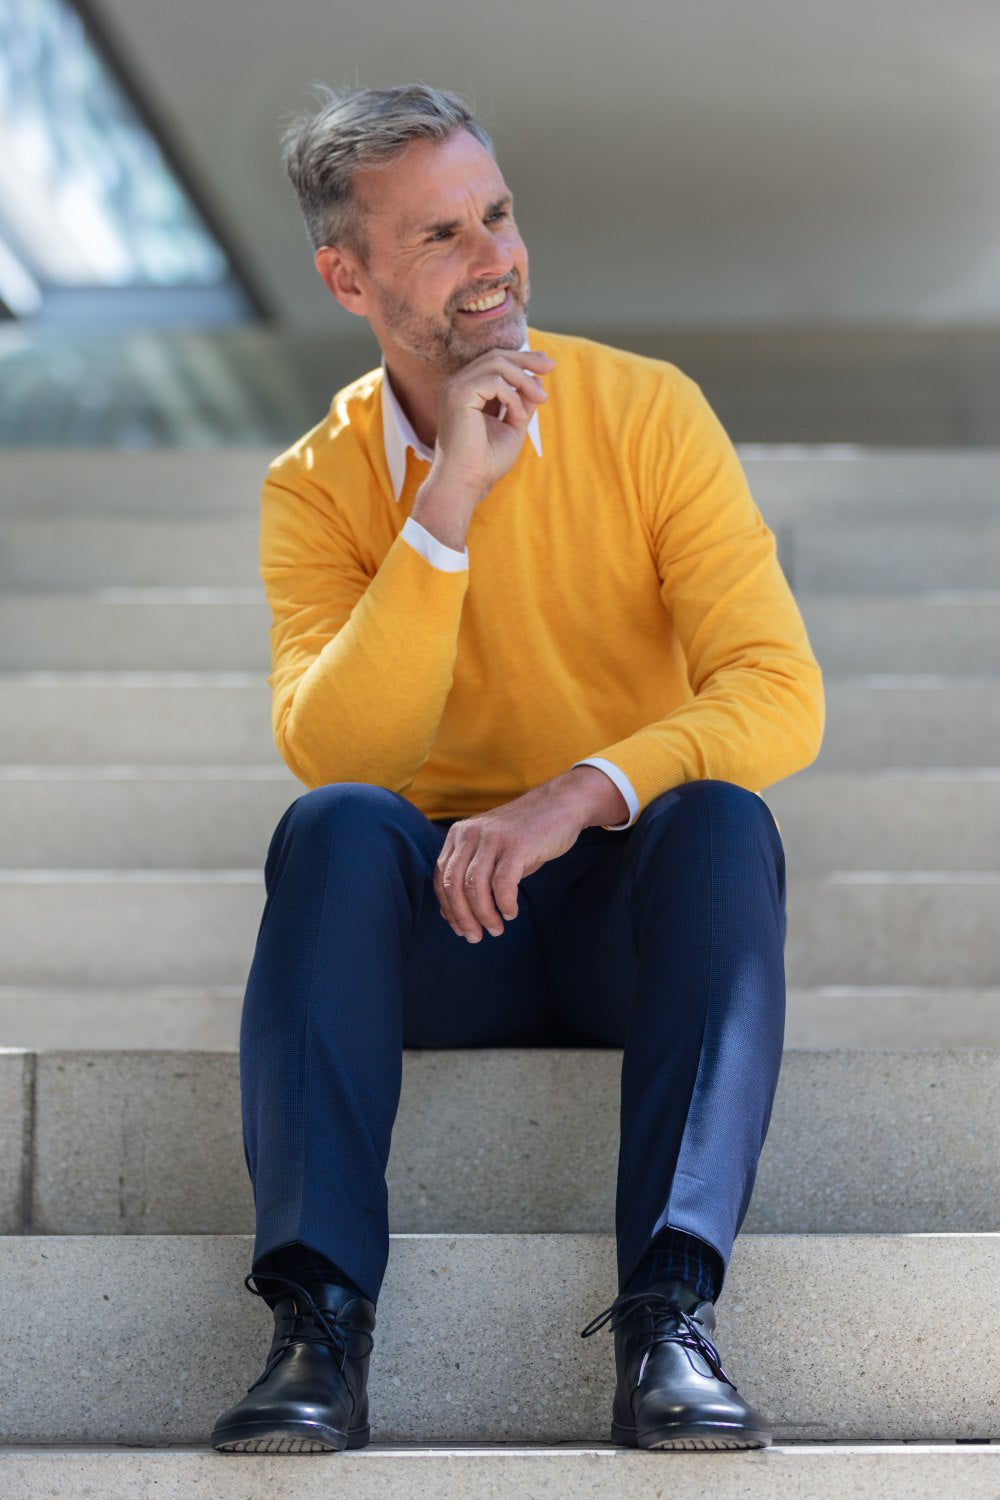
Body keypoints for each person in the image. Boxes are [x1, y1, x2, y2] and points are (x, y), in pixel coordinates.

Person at [210, 81, 824, 1457]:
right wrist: (446, 511)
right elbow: (338, 747)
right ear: (346, 275)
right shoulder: (315, 486)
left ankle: (671, 1316)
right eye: (441, 236)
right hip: (443, 919)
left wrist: (579, 793)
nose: (494, 258)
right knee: (333, 828)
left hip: (626, 910)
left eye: (497, 213)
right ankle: (318, 1329)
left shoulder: (647, 414)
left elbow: (781, 695)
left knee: (725, 820)